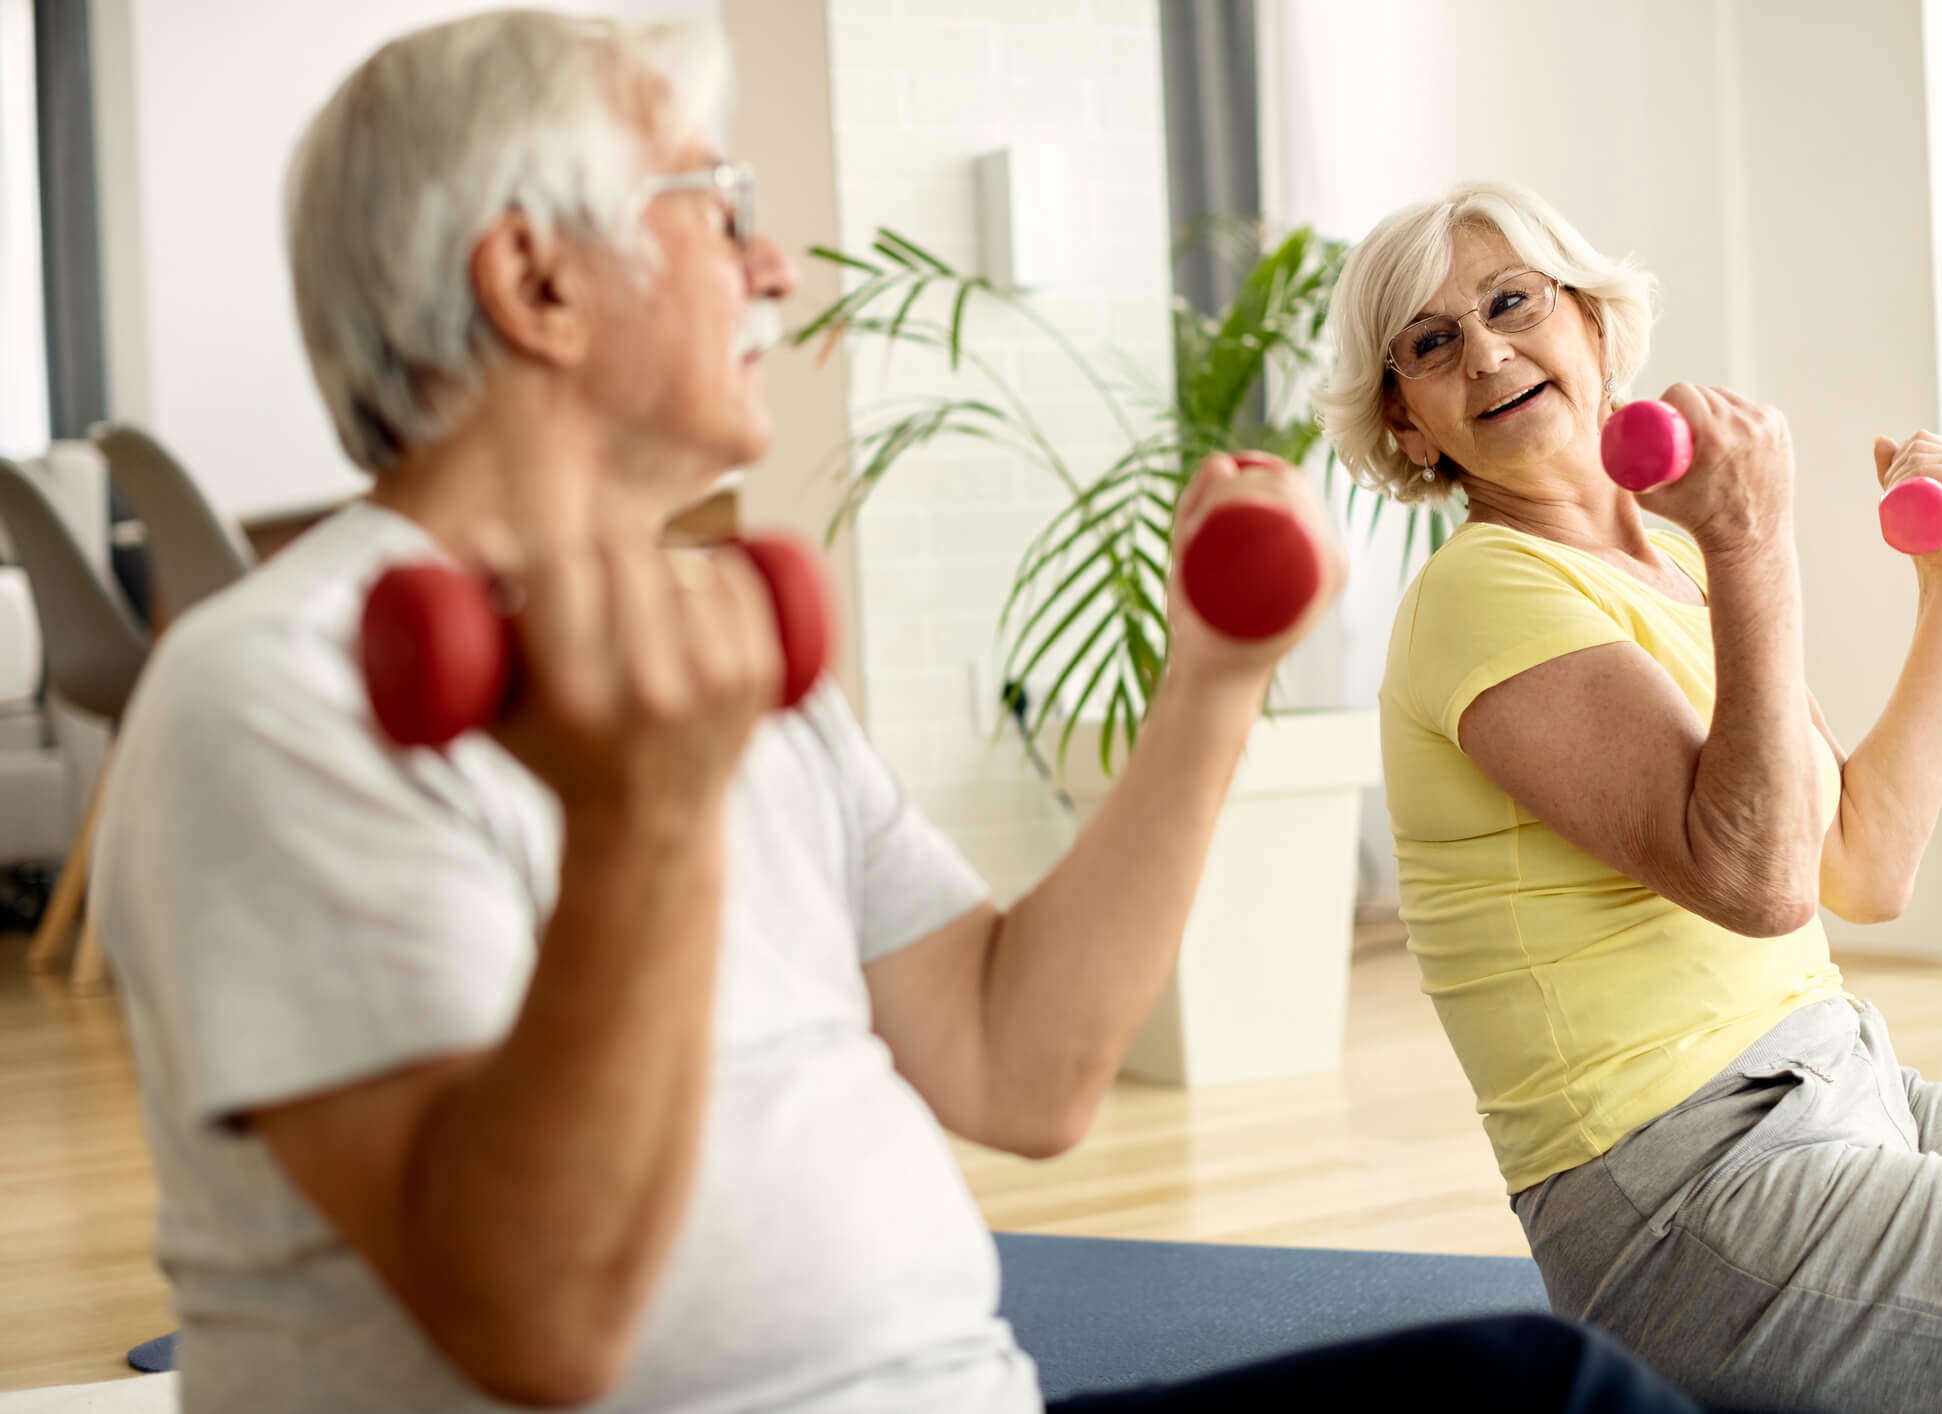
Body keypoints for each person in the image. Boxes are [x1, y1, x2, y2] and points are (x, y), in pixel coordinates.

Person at [87, 14, 1738, 1414]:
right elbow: (532, 1318)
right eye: (715, 203)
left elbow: (1022, 1062)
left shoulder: (710, 658)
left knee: (1541, 1386)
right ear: (533, 276)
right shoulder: (279, 688)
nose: (771, 263)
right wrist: (641, 819)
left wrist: (1213, 682)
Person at [1312, 177, 1942, 1413]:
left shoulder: (1671, 556)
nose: (1484, 349)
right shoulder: (1482, 592)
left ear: (1588, 326)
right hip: (1689, 1198)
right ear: (1411, 424)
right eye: (1432, 344)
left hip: (1850, 1086)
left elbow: (1861, 863)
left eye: (1510, 301)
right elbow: (1748, 884)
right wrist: (1757, 543)